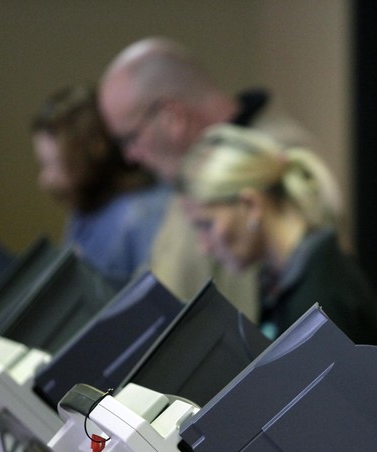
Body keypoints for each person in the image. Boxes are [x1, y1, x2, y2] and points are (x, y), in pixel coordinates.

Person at [98, 37, 316, 316]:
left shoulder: (274, 166)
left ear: (173, 118)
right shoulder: (192, 176)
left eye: (129, 138)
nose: (130, 156)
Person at [180, 124, 377, 345]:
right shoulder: (286, 278)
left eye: (206, 224)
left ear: (251, 205)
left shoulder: (319, 296)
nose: (203, 246)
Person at [31, 84, 171, 287]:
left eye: (55, 165)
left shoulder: (142, 216)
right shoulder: (86, 210)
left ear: (91, 156)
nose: (45, 179)